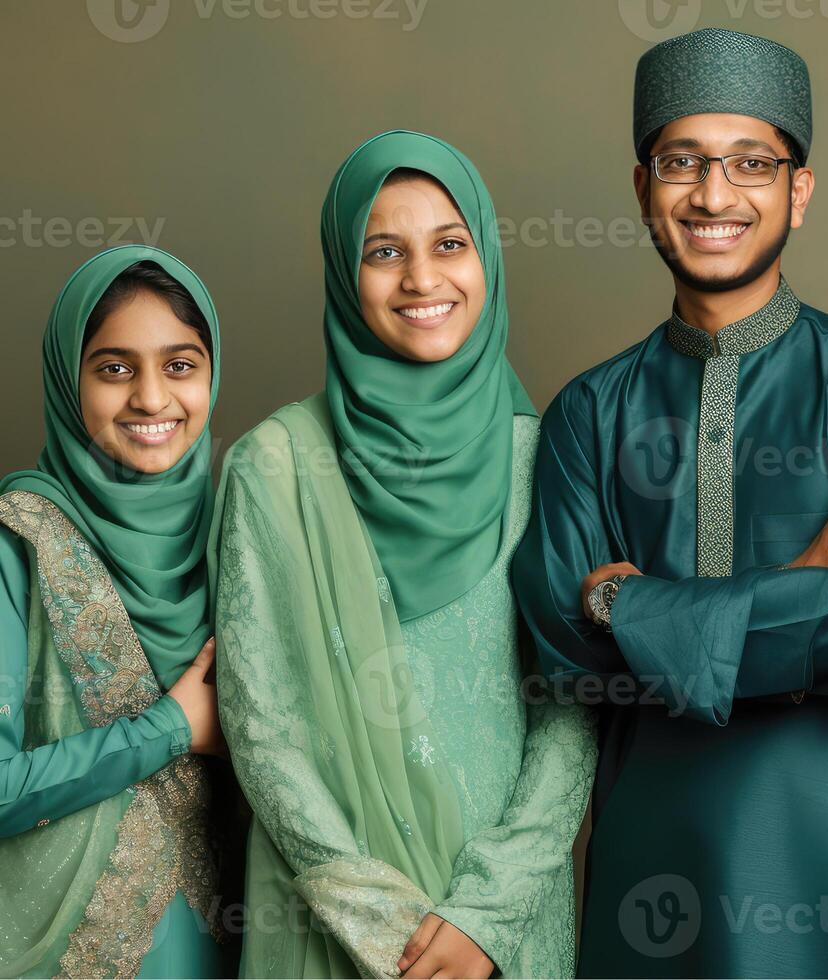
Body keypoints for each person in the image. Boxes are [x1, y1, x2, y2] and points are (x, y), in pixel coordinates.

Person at [512, 28, 828, 978]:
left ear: (798, 190)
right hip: (650, 881)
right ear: (642, 188)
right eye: (683, 162)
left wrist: (629, 603)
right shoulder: (587, 412)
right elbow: (567, 644)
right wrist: (809, 575)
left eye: (751, 162)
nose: (714, 195)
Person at [212, 130, 597, 979]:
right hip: (328, 924)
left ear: (487, 258)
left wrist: (484, 917)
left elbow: (572, 712)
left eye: (450, 245)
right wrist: (384, 925)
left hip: (502, 933)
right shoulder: (274, 465)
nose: (422, 280)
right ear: (343, 275)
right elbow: (259, 720)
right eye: (384, 252)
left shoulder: (545, 458)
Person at [0, 246, 234, 978]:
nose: (152, 399)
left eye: (180, 365)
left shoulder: (234, 533)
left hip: (226, 938)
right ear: (70, 380)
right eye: (115, 368)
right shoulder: (8, 546)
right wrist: (171, 728)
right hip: (57, 947)